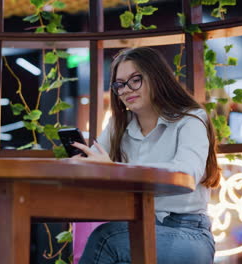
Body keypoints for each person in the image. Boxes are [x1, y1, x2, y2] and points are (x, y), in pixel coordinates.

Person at [71, 46, 220, 264]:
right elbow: (96, 163)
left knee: (106, 238)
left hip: (188, 232)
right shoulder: (117, 125)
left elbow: (188, 173)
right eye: (119, 84)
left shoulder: (191, 119)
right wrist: (81, 165)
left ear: (156, 77)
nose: (126, 90)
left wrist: (115, 170)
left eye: (135, 80)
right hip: (135, 227)